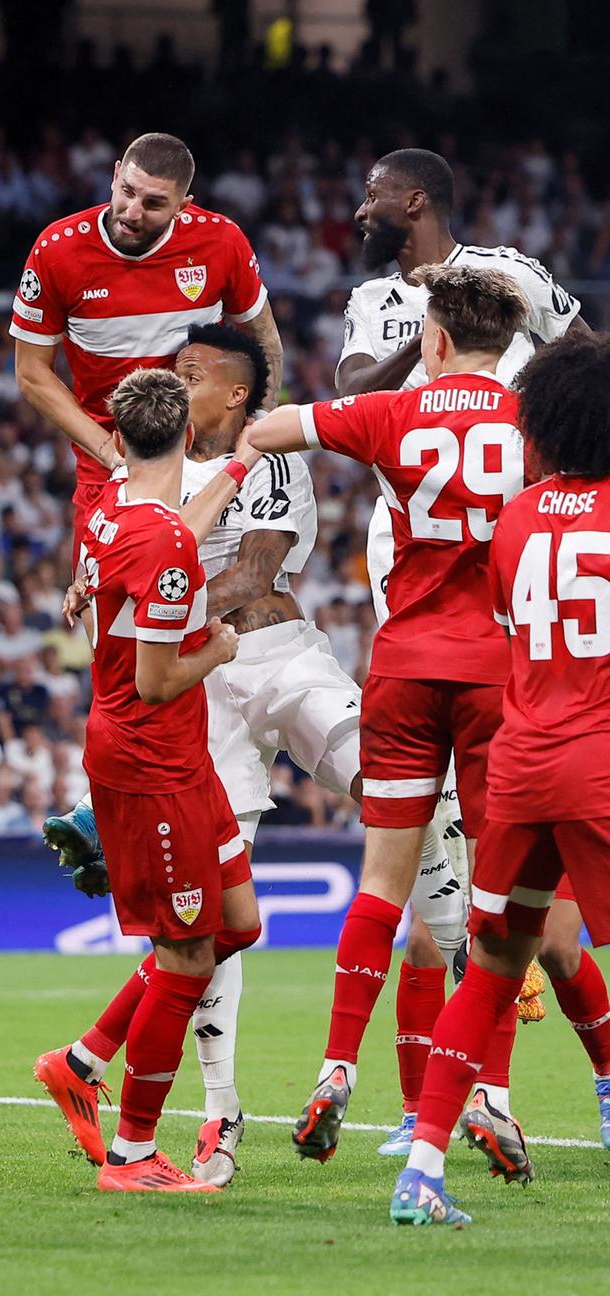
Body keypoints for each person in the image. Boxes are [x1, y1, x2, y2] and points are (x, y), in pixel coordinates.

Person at [39, 322, 463, 1188]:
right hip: (195, 696)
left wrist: (142, 585)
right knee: (212, 928)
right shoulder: (142, 483)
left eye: (194, 371)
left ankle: (475, 969)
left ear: (235, 394)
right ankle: (218, 1116)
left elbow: (255, 574)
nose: (178, 377)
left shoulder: (267, 463)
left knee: (402, 782)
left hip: (275, 660)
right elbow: (115, 599)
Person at [336, 146, 596, 1153]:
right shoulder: (374, 300)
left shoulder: (517, 272)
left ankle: (475, 1095)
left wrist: (496, 360)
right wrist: (442, 355)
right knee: (436, 867)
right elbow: (359, 383)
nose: (360, 209)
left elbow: (589, 356)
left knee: (483, 874)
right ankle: (431, 1104)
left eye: (372, 196)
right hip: (406, 570)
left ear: (413, 201)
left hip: (513, 584)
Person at [249, 264, 530, 1162]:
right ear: (508, 347)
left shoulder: (393, 413)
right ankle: (488, 1091)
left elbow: (270, 429)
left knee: (381, 885)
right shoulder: (533, 423)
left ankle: (336, 1067)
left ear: (434, 340)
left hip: (405, 668)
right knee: (496, 897)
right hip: (497, 675)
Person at [389, 332, 610, 1226]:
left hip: (521, 767)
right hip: (598, 763)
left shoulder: (516, 519)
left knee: (487, 969)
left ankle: (423, 1170)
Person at [35, 366, 260, 1193]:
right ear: (187, 436)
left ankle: (83, 1058)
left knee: (237, 926)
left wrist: (236, 469)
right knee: (188, 953)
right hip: (150, 762)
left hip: (178, 759)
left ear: (120, 438)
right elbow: (164, 677)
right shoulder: (159, 540)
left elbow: (177, 533)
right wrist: (223, 648)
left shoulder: (112, 510)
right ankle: (131, 1153)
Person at [11, 130, 283, 587]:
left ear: (184, 204)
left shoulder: (220, 241)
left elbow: (266, 340)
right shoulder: (58, 250)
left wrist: (258, 421)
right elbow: (31, 372)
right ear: (115, 175)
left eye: (154, 204)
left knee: (217, 606)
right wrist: (108, 452)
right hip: (110, 464)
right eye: (127, 192)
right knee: (105, 612)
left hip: (203, 463)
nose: (132, 213)